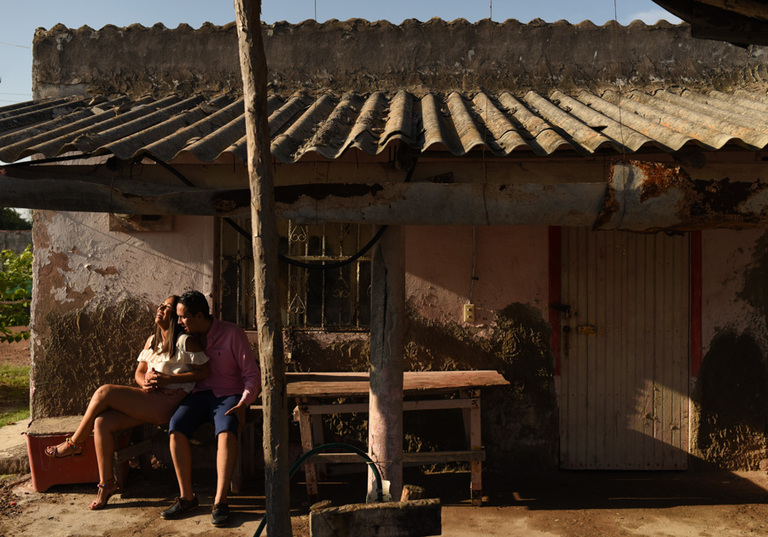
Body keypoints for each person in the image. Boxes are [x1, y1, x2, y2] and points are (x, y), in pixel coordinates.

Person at [44, 296, 210, 510]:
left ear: (175, 316)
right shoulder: (152, 340)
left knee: (104, 392)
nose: (160, 309)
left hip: (168, 403)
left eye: (167, 307)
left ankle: (75, 443)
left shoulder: (185, 341)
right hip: (150, 398)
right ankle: (106, 485)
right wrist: (146, 382)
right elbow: (139, 373)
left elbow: (203, 372)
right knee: (102, 422)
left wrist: (168, 380)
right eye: (160, 305)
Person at [161, 290, 260, 527]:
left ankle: (220, 502)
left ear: (199, 315)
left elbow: (252, 375)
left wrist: (243, 403)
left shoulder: (232, 333)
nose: (180, 321)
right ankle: (187, 497)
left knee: (226, 431)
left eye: (183, 317)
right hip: (197, 395)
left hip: (228, 395)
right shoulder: (185, 337)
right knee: (175, 427)